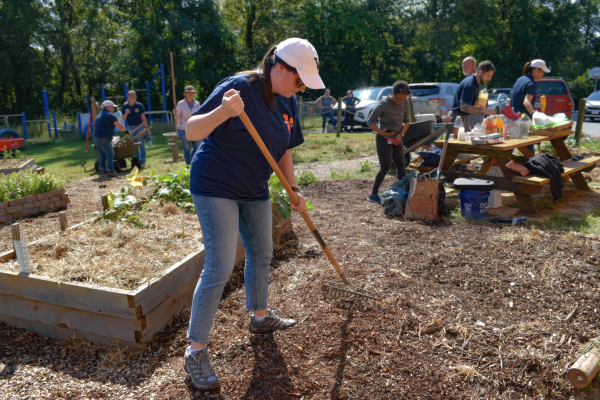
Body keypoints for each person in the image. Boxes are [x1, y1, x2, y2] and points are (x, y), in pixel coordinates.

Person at [183, 37, 323, 391]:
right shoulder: (240, 88)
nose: (302, 86)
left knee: (263, 252)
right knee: (220, 264)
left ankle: (259, 317)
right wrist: (223, 112)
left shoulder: (287, 103)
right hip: (216, 184)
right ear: (279, 68)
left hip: (254, 188)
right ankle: (195, 351)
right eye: (299, 79)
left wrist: (292, 189)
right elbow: (192, 130)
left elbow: (286, 149)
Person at [366, 81, 411, 204]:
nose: (400, 101)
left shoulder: (404, 102)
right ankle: (373, 194)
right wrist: (381, 132)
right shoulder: (383, 104)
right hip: (384, 138)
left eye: (403, 99)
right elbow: (370, 121)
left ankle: (403, 192)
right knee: (385, 167)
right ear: (393, 93)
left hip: (397, 138)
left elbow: (407, 121)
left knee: (401, 165)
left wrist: (401, 135)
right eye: (398, 98)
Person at [510, 59, 550, 156]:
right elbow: (526, 102)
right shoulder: (532, 84)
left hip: (512, 118)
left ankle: (500, 168)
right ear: (536, 70)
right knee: (529, 150)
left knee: (509, 148)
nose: (543, 73)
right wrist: (535, 114)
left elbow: (512, 100)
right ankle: (532, 167)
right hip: (523, 121)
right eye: (543, 71)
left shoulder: (520, 79)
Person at [448, 60, 496, 130]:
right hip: (457, 119)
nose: (490, 79)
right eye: (488, 76)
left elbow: (466, 103)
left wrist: (476, 103)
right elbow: (463, 107)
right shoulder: (470, 84)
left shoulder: (474, 82)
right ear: (480, 72)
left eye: (491, 76)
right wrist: (483, 110)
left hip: (461, 118)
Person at [93, 100, 129, 177]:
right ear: (108, 107)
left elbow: (102, 126)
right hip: (103, 137)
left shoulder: (99, 115)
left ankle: (104, 170)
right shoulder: (110, 115)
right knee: (110, 154)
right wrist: (126, 131)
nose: (113, 109)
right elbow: (119, 125)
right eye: (112, 107)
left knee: (102, 155)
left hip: (96, 137)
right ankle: (111, 171)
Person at [174, 85, 202, 166]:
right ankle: (188, 166)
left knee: (197, 148)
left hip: (194, 128)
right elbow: (178, 118)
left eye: (192, 92)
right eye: (188, 92)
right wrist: (175, 114)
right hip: (183, 128)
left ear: (194, 93)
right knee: (186, 149)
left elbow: (199, 115)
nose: (190, 94)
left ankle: (191, 161)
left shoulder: (197, 103)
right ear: (185, 93)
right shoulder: (180, 104)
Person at [122, 91, 149, 168]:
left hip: (140, 126)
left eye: (133, 95)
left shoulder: (139, 105)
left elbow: (143, 117)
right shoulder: (125, 105)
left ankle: (143, 161)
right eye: (131, 95)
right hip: (130, 127)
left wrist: (146, 128)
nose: (132, 97)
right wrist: (126, 113)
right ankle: (137, 161)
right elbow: (123, 118)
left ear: (135, 96)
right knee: (134, 145)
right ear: (128, 96)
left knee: (141, 144)